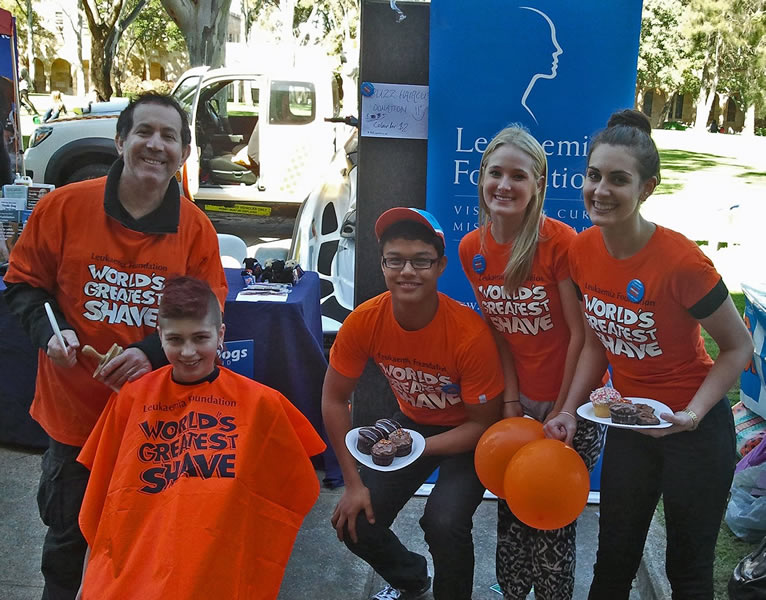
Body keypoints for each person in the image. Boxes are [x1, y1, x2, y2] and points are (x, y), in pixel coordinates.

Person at [3, 92, 228, 600]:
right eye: (144, 132)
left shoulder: (195, 229)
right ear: (120, 140)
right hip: (75, 415)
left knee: (145, 543)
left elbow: (208, 317)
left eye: (169, 136)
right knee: (66, 541)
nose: (156, 145)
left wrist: (149, 353)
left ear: (184, 153)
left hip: (156, 417)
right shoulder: (64, 206)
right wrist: (51, 332)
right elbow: (23, 286)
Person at [545, 109, 753, 599]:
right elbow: (596, 337)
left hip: (695, 433)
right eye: (594, 176)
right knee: (613, 558)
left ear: (647, 189)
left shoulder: (682, 262)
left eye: (619, 180)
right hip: (631, 426)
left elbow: (738, 346)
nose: (600, 190)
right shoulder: (581, 251)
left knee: (688, 570)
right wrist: (568, 410)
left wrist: (692, 414)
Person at [76, 276, 325, 599]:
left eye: (200, 337)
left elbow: (290, 493)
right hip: (139, 562)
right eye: (176, 340)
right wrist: (89, 576)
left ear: (221, 335)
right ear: (160, 338)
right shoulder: (133, 398)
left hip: (217, 562)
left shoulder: (262, 404)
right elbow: (103, 498)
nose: (189, 351)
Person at [322, 207, 505, 600]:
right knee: (354, 521)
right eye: (396, 260)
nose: (408, 271)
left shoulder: (469, 335)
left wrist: (418, 447)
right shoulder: (365, 320)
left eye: (421, 261)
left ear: (440, 266)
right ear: (382, 263)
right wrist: (352, 481)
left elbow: (483, 424)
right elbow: (334, 399)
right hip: (411, 422)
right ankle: (412, 580)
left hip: (467, 434)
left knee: (444, 521)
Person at [458, 124, 605, 600]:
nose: (504, 185)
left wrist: (562, 410)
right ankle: (512, 591)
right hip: (518, 404)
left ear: (538, 184)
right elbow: (497, 332)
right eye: (495, 173)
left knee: (552, 516)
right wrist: (512, 402)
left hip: (573, 403)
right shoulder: (471, 249)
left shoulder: (561, 244)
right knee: (509, 506)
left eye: (518, 176)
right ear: (481, 178)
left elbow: (582, 337)